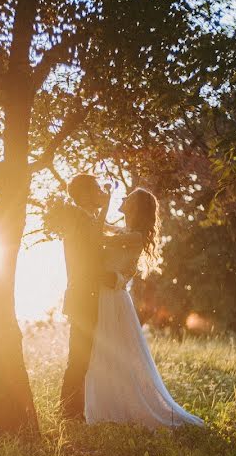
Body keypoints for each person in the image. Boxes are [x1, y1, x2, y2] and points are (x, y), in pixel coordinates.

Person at [84, 188, 204, 429]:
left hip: (113, 299)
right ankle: (109, 409)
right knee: (105, 356)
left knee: (113, 355)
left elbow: (97, 236)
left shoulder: (135, 236)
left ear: (135, 207)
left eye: (127, 198)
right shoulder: (127, 232)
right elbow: (102, 226)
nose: (122, 199)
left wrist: (105, 204)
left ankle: (123, 411)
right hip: (107, 296)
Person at [44, 174, 111, 421]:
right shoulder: (80, 219)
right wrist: (107, 276)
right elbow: (91, 254)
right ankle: (69, 412)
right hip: (84, 295)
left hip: (84, 295)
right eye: (96, 189)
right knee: (80, 357)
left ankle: (75, 409)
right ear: (83, 195)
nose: (100, 193)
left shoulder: (84, 218)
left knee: (84, 356)